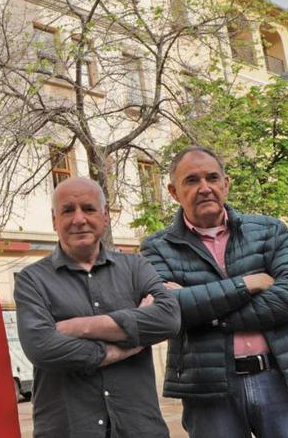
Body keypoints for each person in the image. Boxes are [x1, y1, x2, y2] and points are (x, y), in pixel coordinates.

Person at [141, 146, 288, 437]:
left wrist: (207, 313)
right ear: (173, 191)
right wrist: (248, 284)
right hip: (209, 391)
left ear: (225, 183)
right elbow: (170, 310)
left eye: (212, 178)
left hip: (279, 380)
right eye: (191, 180)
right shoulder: (157, 248)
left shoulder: (269, 231)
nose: (204, 188)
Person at [14, 177, 180, 437]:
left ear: (105, 216)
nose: (79, 219)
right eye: (68, 210)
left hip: (138, 428)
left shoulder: (135, 267)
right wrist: (124, 346)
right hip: (68, 429)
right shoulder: (32, 280)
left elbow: (169, 319)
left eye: (89, 209)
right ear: (54, 220)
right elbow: (41, 347)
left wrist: (79, 327)